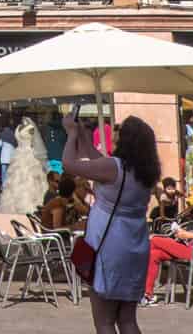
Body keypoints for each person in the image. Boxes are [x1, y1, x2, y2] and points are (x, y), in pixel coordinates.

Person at [62, 111, 158, 334]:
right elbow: (95, 157)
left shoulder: (112, 167)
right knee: (127, 319)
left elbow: (68, 164)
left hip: (108, 248)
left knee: (104, 321)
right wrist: (84, 136)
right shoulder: (147, 173)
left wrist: (71, 133)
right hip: (135, 246)